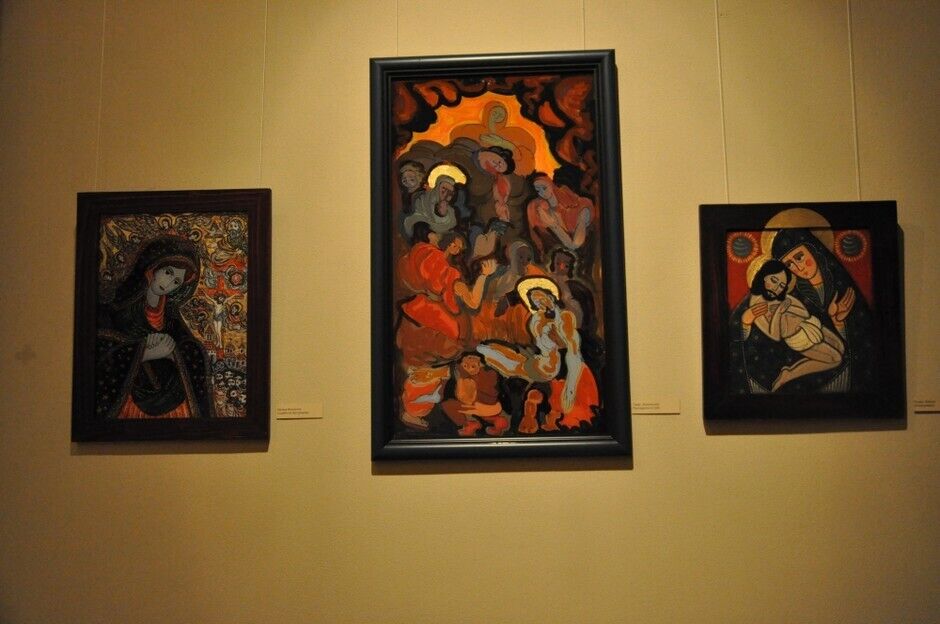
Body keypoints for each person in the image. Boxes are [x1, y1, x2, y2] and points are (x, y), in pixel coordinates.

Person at [95, 237, 214, 419]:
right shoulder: (117, 306)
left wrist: (174, 353)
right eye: (168, 272)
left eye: (176, 281)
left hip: (171, 400)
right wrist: (144, 353)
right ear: (153, 268)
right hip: (128, 401)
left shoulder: (170, 315)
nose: (168, 284)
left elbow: (189, 349)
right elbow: (102, 352)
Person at [395, 233, 497, 429]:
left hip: (418, 314)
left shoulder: (425, 256)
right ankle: (414, 411)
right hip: (436, 325)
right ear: (449, 244)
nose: (456, 249)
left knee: (421, 368)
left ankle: (413, 409)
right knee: (432, 370)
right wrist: (484, 276)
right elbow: (473, 302)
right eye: (455, 245)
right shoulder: (449, 274)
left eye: (459, 247)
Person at [476, 277, 598, 432]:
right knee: (488, 350)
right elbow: (540, 346)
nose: (539, 302)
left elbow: (573, 352)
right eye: (534, 301)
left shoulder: (566, 318)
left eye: (541, 297)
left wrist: (570, 387)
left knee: (498, 357)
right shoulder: (538, 320)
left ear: (551, 296)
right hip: (541, 361)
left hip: (558, 365)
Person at [744, 260, 845, 391]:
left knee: (840, 347)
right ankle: (790, 375)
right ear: (763, 276)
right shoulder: (757, 306)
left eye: (781, 285)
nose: (776, 288)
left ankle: (791, 371)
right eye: (773, 280)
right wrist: (779, 312)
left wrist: (788, 308)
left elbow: (804, 313)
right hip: (799, 337)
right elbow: (775, 336)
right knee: (835, 359)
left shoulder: (780, 296)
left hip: (810, 324)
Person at [525, 173, 595, 257]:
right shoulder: (539, 208)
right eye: (538, 191)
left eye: (544, 188)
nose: (542, 193)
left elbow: (574, 245)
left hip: (579, 252)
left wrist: (553, 225)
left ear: (551, 184)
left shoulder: (581, 207)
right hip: (558, 254)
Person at [440, 353, 509, 436]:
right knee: (487, 414)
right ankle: (498, 421)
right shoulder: (491, 373)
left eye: (473, 366)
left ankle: (469, 424)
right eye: (465, 366)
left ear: (480, 365)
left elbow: (467, 399)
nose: (469, 369)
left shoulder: (473, 379)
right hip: (495, 406)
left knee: (447, 405)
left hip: (480, 406)